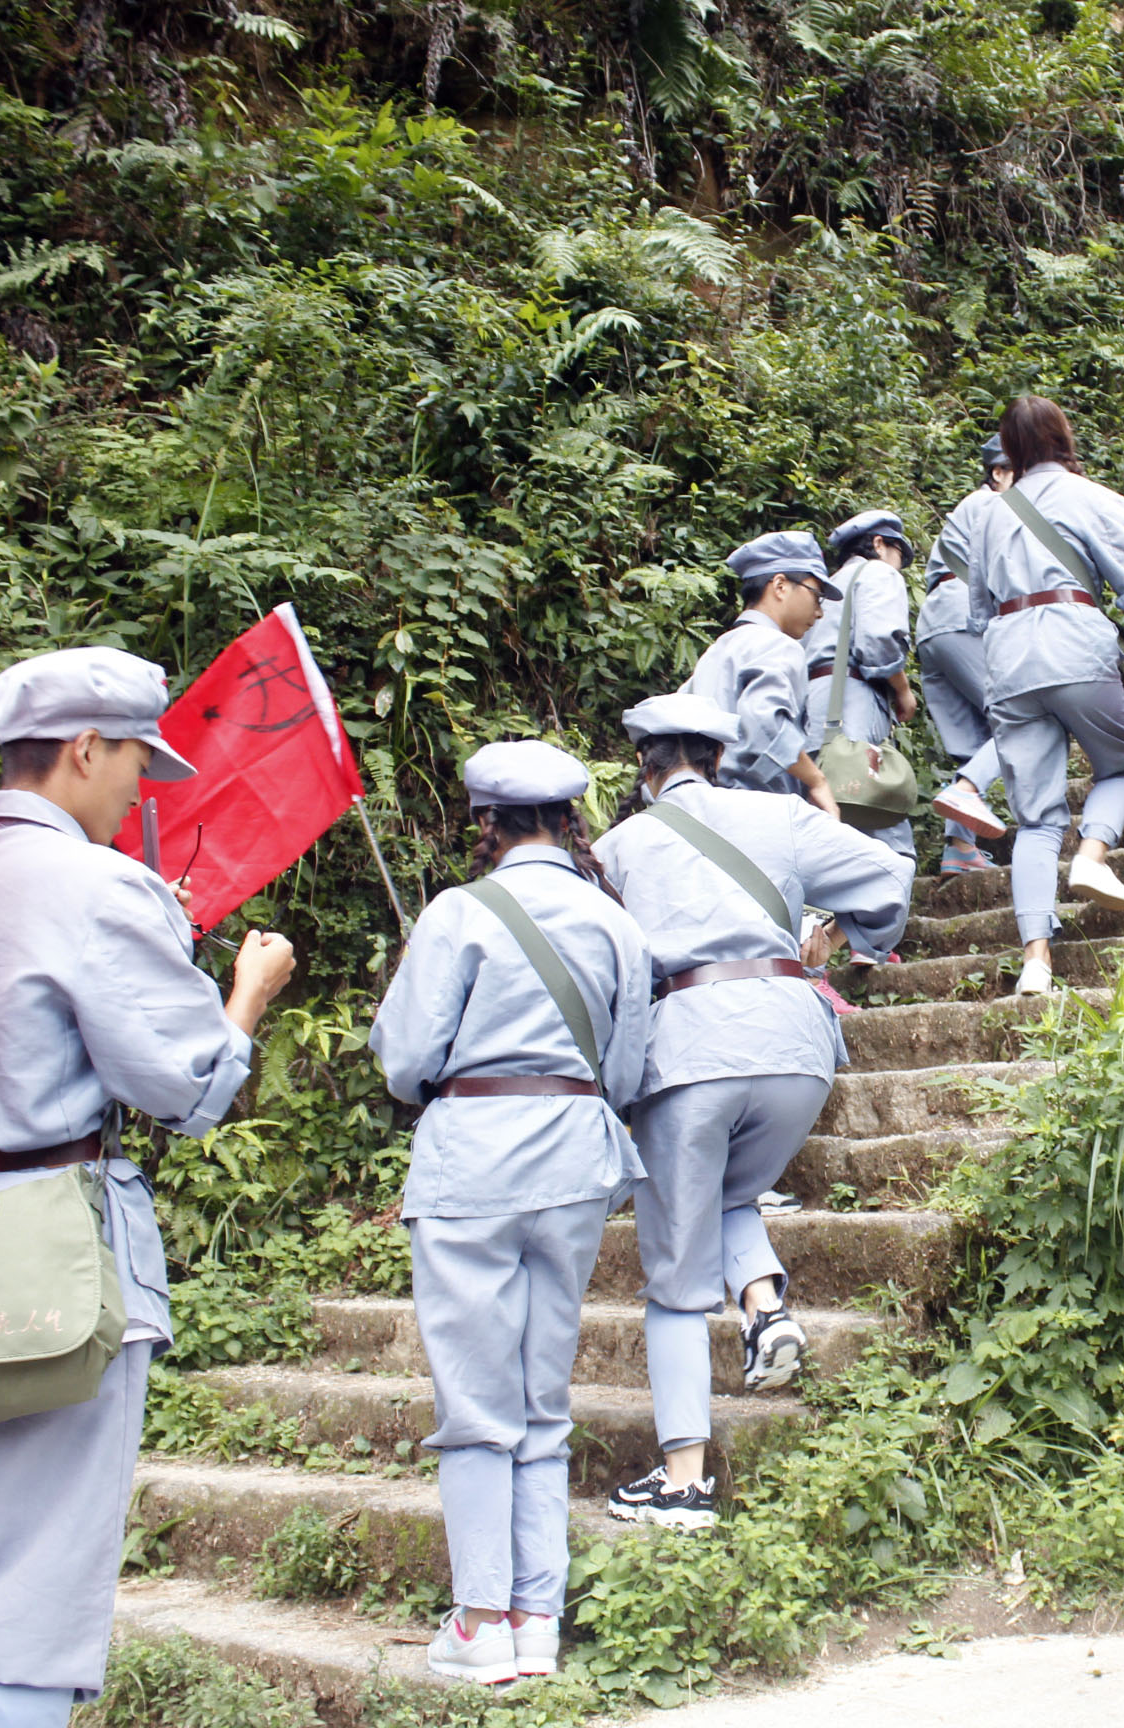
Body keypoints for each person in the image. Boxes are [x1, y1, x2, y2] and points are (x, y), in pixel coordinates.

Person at [0, 646, 298, 1728]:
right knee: (37, 1593)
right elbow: (187, 1084)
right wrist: (245, 994)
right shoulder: (98, 884)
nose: (137, 790)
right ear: (82, 747)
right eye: (131, 764)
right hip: (53, 1250)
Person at [367, 740, 650, 1684]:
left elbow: (405, 1063)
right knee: (540, 1396)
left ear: (486, 824)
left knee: (475, 1403)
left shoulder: (460, 912)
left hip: (473, 1163)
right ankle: (537, 1620)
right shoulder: (616, 923)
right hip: (574, 1158)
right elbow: (624, 1071)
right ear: (573, 821)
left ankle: (480, 1619)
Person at [592, 693, 911, 1530]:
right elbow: (889, 874)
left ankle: (684, 1481)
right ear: (718, 759)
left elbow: (601, 971)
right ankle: (765, 1310)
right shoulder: (778, 814)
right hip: (796, 1046)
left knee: (672, 1279)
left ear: (646, 768)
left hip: (689, 1051)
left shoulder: (616, 848)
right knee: (734, 1194)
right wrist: (838, 938)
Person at [958, 396, 1124, 998]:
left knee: (1033, 818)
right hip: (1076, 643)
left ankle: (1036, 961)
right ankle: (1091, 855)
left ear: (1010, 451)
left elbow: (979, 609)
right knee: (1119, 766)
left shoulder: (987, 515)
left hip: (1008, 661)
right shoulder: (1097, 499)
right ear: (1064, 438)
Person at [684, 532, 845, 819]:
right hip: (753, 810)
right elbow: (763, 722)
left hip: (702, 808)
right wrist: (815, 779)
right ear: (780, 585)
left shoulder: (718, 649)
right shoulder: (778, 645)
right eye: (817, 596)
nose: (820, 612)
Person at [806, 509, 922, 876]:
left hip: (809, 703)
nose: (898, 567)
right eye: (898, 555)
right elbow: (879, 645)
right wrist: (903, 691)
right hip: (851, 699)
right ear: (878, 544)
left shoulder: (822, 587)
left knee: (824, 813)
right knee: (869, 804)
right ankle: (884, 917)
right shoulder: (877, 572)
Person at [919, 437, 1012, 875]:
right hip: (965, 617)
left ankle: (960, 846)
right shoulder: (993, 505)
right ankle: (968, 791)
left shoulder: (966, 509)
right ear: (998, 472)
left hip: (935, 625)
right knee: (1020, 717)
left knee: (971, 743)